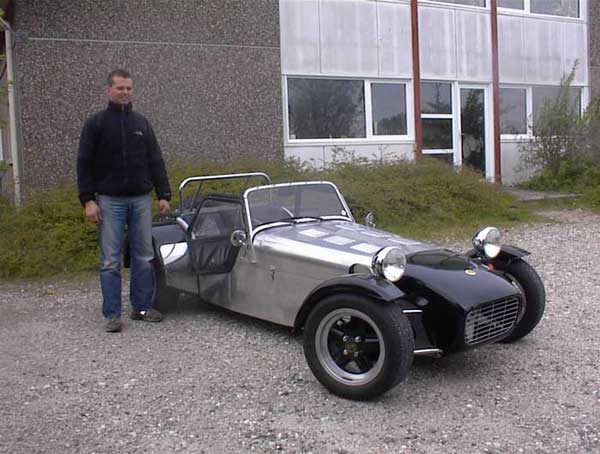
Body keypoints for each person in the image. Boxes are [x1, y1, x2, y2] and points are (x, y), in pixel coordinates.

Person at [77, 69, 172, 333]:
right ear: (109, 90)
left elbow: (155, 160)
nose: (125, 92)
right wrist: (88, 200)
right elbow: (83, 164)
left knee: (143, 256)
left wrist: (163, 194)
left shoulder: (141, 124)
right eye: (120, 88)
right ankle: (112, 315)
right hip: (109, 202)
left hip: (141, 200)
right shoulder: (95, 124)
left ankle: (141, 308)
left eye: (129, 88)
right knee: (110, 261)